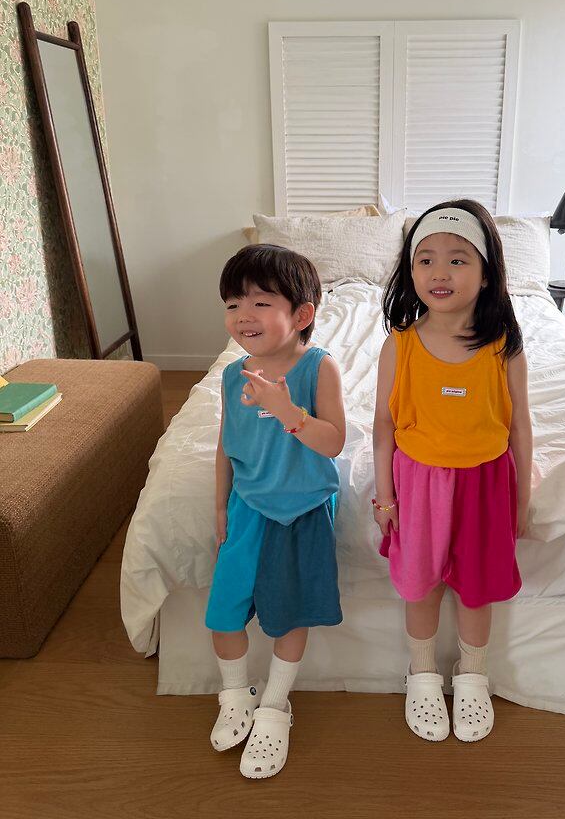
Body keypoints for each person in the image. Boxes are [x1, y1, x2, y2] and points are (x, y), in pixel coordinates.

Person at [372, 199, 532, 742]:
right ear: (410, 271)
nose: (439, 273)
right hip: (419, 486)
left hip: (485, 485)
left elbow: (520, 427)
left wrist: (522, 499)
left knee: (476, 588)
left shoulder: (504, 347)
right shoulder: (399, 345)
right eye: (426, 260)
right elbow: (383, 427)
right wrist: (386, 496)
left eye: (458, 260)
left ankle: (472, 675)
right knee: (421, 585)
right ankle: (421, 673)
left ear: (486, 274)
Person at [206, 243, 345, 779]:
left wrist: (287, 411)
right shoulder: (232, 374)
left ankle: (275, 704)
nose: (243, 315)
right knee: (224, 610)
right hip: (247, 506)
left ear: (302, 314)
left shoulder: (319, 367)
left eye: (261, 302)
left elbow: (333, 442)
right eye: (233, 303)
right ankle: (236, 694)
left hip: (302, 509)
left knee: (289, 612)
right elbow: (226, 443)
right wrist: (220, 504)